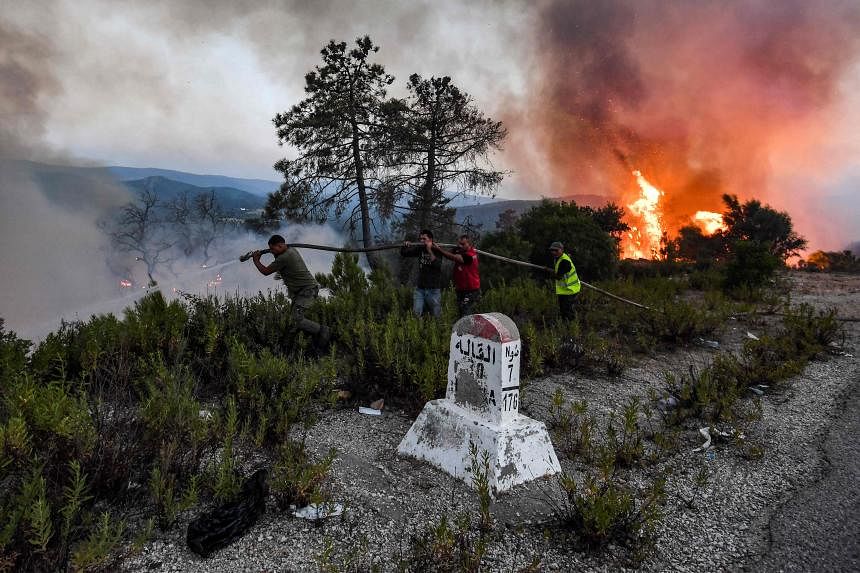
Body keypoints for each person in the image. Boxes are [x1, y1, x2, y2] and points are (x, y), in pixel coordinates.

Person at [251, 235, 330, 350]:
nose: (272, 252)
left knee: (296, 319)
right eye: (270, 250)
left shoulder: (285, 257)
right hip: (302, 291)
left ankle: (322, 331)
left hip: (307, 291)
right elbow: (278, 259)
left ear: (281, 245)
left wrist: (256, 260)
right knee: (293, 319)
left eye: (273, 249)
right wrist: (274, 252)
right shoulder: (291, 250)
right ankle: (292, 344)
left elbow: (266, 271)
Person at [433, 234, 481, 317]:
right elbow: (451, 252)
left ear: (469, 244)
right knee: (461, 311)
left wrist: (439, 249)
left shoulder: (470, 256)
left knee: (465, 311)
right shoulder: (461, 251)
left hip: (471, 290)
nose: (460, 246)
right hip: (461, 289)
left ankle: (468, 329)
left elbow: (452, 257)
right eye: (459, 243)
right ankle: (462, 329)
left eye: (463, 244)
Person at [400, 229, 443, 317]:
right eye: (420, 239)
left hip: (433, 289)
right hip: (420, 289)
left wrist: (429, 250)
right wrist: (405, 245)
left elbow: (437, 264)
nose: (421, 241)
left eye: (424, 239)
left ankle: (437, 330)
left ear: (430, 240)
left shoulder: (437, 249)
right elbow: (405, 253)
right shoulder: (420, 249)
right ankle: (417, 329)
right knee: (416, 314)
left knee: (436, 315)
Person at [549, 241, 580, 320]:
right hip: (564, 290)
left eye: (556, 250)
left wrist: (553, 275)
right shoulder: (558, 259)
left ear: (561, 250)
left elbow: (559, 276)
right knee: (563, 310)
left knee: (567, 311)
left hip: (570, 290)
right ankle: (566, 324)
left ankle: (570, 326)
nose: (554, 252)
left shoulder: (565, 261)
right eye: (552, 250)